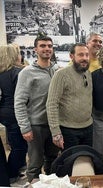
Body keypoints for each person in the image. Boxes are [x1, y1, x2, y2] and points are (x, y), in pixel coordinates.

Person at [14, 34, 59, 183]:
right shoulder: (27, 73)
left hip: (54, 125)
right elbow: (19, 102)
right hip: (36, 125)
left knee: (52, 160)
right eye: (43, 46)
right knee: (35, 163)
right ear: (35, 50)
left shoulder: (58, 70)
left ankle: (51, 185)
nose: (47, 49)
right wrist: (25, 127)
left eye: (49, 46)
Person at [46, 43, 93, 150]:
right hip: (68, 130)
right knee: (70, 163)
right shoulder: (61, 75)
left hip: (88, 127)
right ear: (71, 56)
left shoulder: (88, 73)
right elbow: (51, 104)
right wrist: (55, 132)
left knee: (85, 161)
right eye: (81, 55)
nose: (85, 58)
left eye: (87, 55)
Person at [0, 44, 27, 184]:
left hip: (5, 113)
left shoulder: (2, 73)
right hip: (16, 114)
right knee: (20, 148)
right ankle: (12, 173)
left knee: (14, 144)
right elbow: (23, 97)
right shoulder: (18, 72)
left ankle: (16, 170)